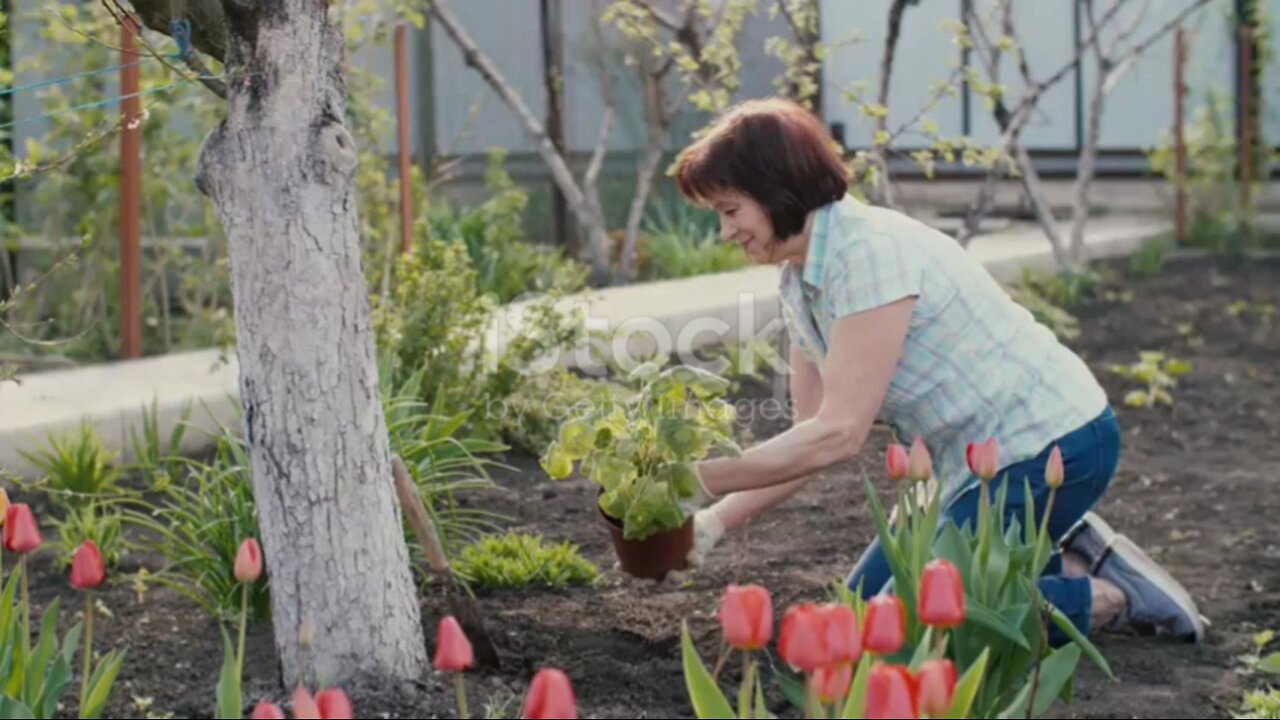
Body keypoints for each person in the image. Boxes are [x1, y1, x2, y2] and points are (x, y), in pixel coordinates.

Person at [673, 98, 1205, 644]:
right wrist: (713, 521)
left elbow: (839, 435)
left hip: (1050, 446)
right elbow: (810, 438)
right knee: (859, 622)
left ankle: (1109, 595)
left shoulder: (868, 255)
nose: (724, 231)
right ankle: (1056, 555)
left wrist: (694, 478)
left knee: (913, 626)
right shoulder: (800, 279)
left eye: (731, 210)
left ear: (777, 188)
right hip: (970, 471)